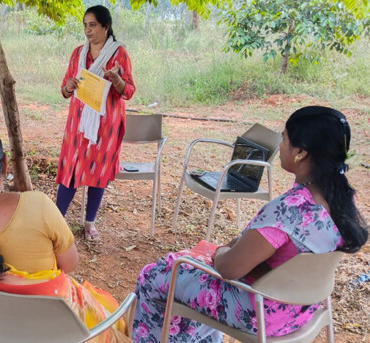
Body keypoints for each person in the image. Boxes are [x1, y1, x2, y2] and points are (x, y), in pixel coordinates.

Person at [132, 106, 368, 342]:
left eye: (284, 137)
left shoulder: (288, 210)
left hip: (258, 312)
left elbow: (229, 269)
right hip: (300, 310)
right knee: (190, 274)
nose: (281, 143)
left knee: (157, 275)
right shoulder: (343, 202)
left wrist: (220, 252)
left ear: (300, 153)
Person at [0, 124, 132, 342]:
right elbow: (70, 264)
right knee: (111, 312)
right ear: (4, 164)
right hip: (53, 332)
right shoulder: (39, 206)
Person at [56, 5, 135, 241]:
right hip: (78, 123)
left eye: (92, 25)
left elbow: (128, 91)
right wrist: (68, 87)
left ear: (105, 26)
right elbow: (64, 89)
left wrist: (117, 79)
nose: (87, 30)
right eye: (85, 25)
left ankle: (89, 223)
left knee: (97, 172)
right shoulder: (78, 53)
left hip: (105, 124)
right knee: (71, 168)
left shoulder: (119, 54)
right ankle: (57, 220)